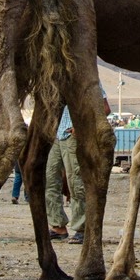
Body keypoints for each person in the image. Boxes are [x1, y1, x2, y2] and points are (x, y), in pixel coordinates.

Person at [46, 87, 110, 244]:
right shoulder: (56, 82)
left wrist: (82, 126)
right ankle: (57, 225)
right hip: (56, 135)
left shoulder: (89, 80)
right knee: (49, 180)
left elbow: (105, 109)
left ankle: (82, 228)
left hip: (72, 136)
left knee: (75, 182)